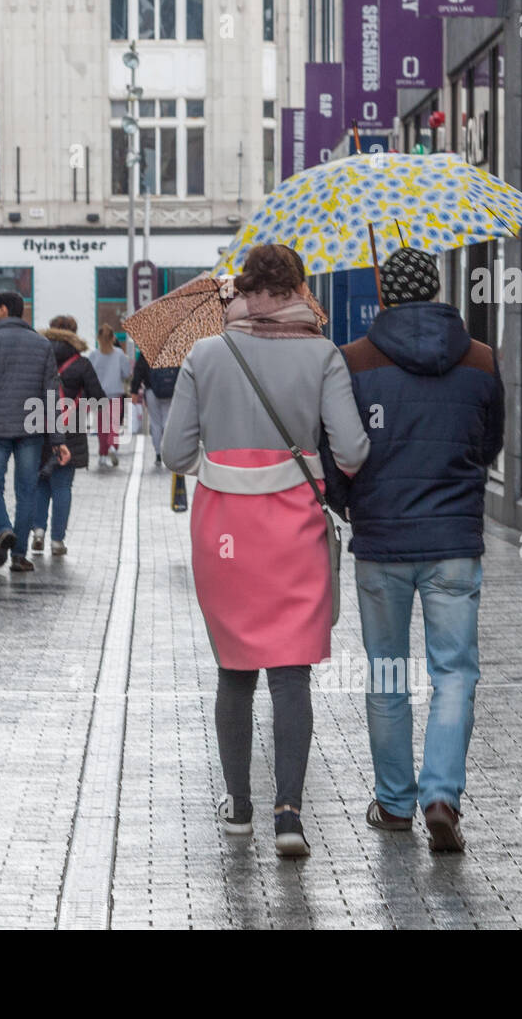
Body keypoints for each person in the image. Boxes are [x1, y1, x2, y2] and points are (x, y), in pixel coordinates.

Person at [161, 245, 369, 858]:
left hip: (224, 529)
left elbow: (176, 455)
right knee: (290, 672)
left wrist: (227, 462)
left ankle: (238, 808)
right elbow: (352, 451)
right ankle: (289, 815)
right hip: (293, 528)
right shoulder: (323, 353)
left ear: (246, 290)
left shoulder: (206, 353)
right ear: (298, 290)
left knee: (234, 668)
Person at [323, 246, 504, 854]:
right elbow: (490, 443)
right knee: (454, 672)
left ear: (385, 292)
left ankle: (395, 804)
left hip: (381, 542)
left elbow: (337, 451)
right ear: (436, 288)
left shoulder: (353, 360)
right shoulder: (480, 359)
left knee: (387, 673)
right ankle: (442, 795)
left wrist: (352, 505)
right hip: (454, 541)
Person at [0, 291, 70, 572]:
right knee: (27, 490)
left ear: (3, 310)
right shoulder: (42, 345)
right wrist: (57, 438)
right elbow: (52, 395)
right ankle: (19, 555)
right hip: (31, 428)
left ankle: (2, 529)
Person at [32, 315, 105, 557]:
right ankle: (57, 541)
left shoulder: (37, 358)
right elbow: (99, 399)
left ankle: (38, 532)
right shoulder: (81, 364)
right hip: (70, 431)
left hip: (38, 428)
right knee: (62, 486)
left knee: (41, 483)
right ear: (74, 334)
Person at [87, 324, 131, 467]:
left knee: (101, 427)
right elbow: (126, 374)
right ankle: (113, 446)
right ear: (113, 338)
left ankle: (103, 455)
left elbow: (89, 376)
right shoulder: (119, 354)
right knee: (114, 424)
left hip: (98, 396)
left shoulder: (93, 355)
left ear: (98, 338)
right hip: (115, 394)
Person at [131, 350, 179, 467]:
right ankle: (168, 451)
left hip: (151, 390)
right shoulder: (174, 349)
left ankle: (158, 453)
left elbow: (139, 370)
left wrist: (134, 390)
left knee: (155, 422)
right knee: (167, 420)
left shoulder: (148, 349)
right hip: (170, 390)